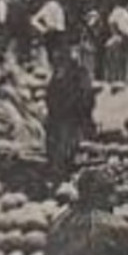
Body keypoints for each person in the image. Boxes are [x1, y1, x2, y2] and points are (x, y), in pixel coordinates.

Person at [44, 38, 96, 177]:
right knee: (55, 142)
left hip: (73, 117)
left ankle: (65, 168)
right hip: (57, 118)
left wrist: (77, 110)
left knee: (68, 144)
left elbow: (86, 96)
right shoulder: (57, 75)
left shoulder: (79, 74)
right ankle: (56, 167)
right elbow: (50, 96)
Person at [30, 0, 69, 72]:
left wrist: (43, 29)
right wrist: (44, 29)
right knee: (56, 56)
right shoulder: (52, 6)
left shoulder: (58, 6)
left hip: (56, 33)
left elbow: (34, 20)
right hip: (55, 33)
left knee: (56, 56)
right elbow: (34, 20)